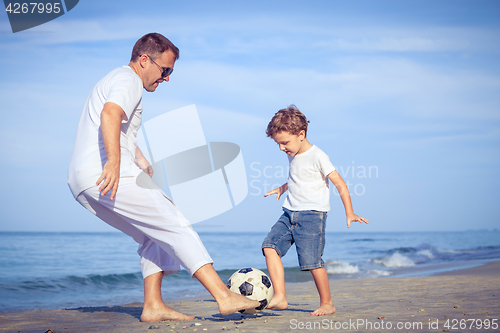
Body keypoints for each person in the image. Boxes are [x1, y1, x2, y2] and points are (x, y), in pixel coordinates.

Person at [68, 33, 259, 322]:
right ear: (144, 60)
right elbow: (110, 114)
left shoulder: (117, 80)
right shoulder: (128, 80)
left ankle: (153, 306)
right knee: (173, 221)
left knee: (152, 235)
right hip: (105, 173)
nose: (167, 78)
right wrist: (115, 164)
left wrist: (138, 157)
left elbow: (119, 127)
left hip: (82, 181)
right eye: (165, 70)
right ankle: (224, 296)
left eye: (171, 72)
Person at [261, 105, 368, 316]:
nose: (282, 148)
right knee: (269, 246)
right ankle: (280, 296)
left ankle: (327, 303)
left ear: (301, 134)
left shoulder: (318, 155)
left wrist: (350, 212)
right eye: (278, 144)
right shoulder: (292, 153)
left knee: (312, 262)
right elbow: (298, 178)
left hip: (312, 216)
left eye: (284, 143)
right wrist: (282, 188)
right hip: (289, 213)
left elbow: (340, 183)